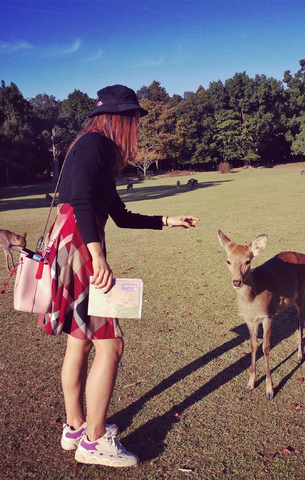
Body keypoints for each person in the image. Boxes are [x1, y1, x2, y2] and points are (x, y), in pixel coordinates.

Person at [39, 84, 199, 467]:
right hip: (81, 247)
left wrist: (167, 220)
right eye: (134, 120)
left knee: (79, 341)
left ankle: (75, 426)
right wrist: (97, 257)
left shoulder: (92, 149)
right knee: (111, 344)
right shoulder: (93, 145)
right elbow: (79, 201)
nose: (136, 129)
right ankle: (94, 441)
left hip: (73, 244)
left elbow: (122, 216)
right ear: (118, 119)